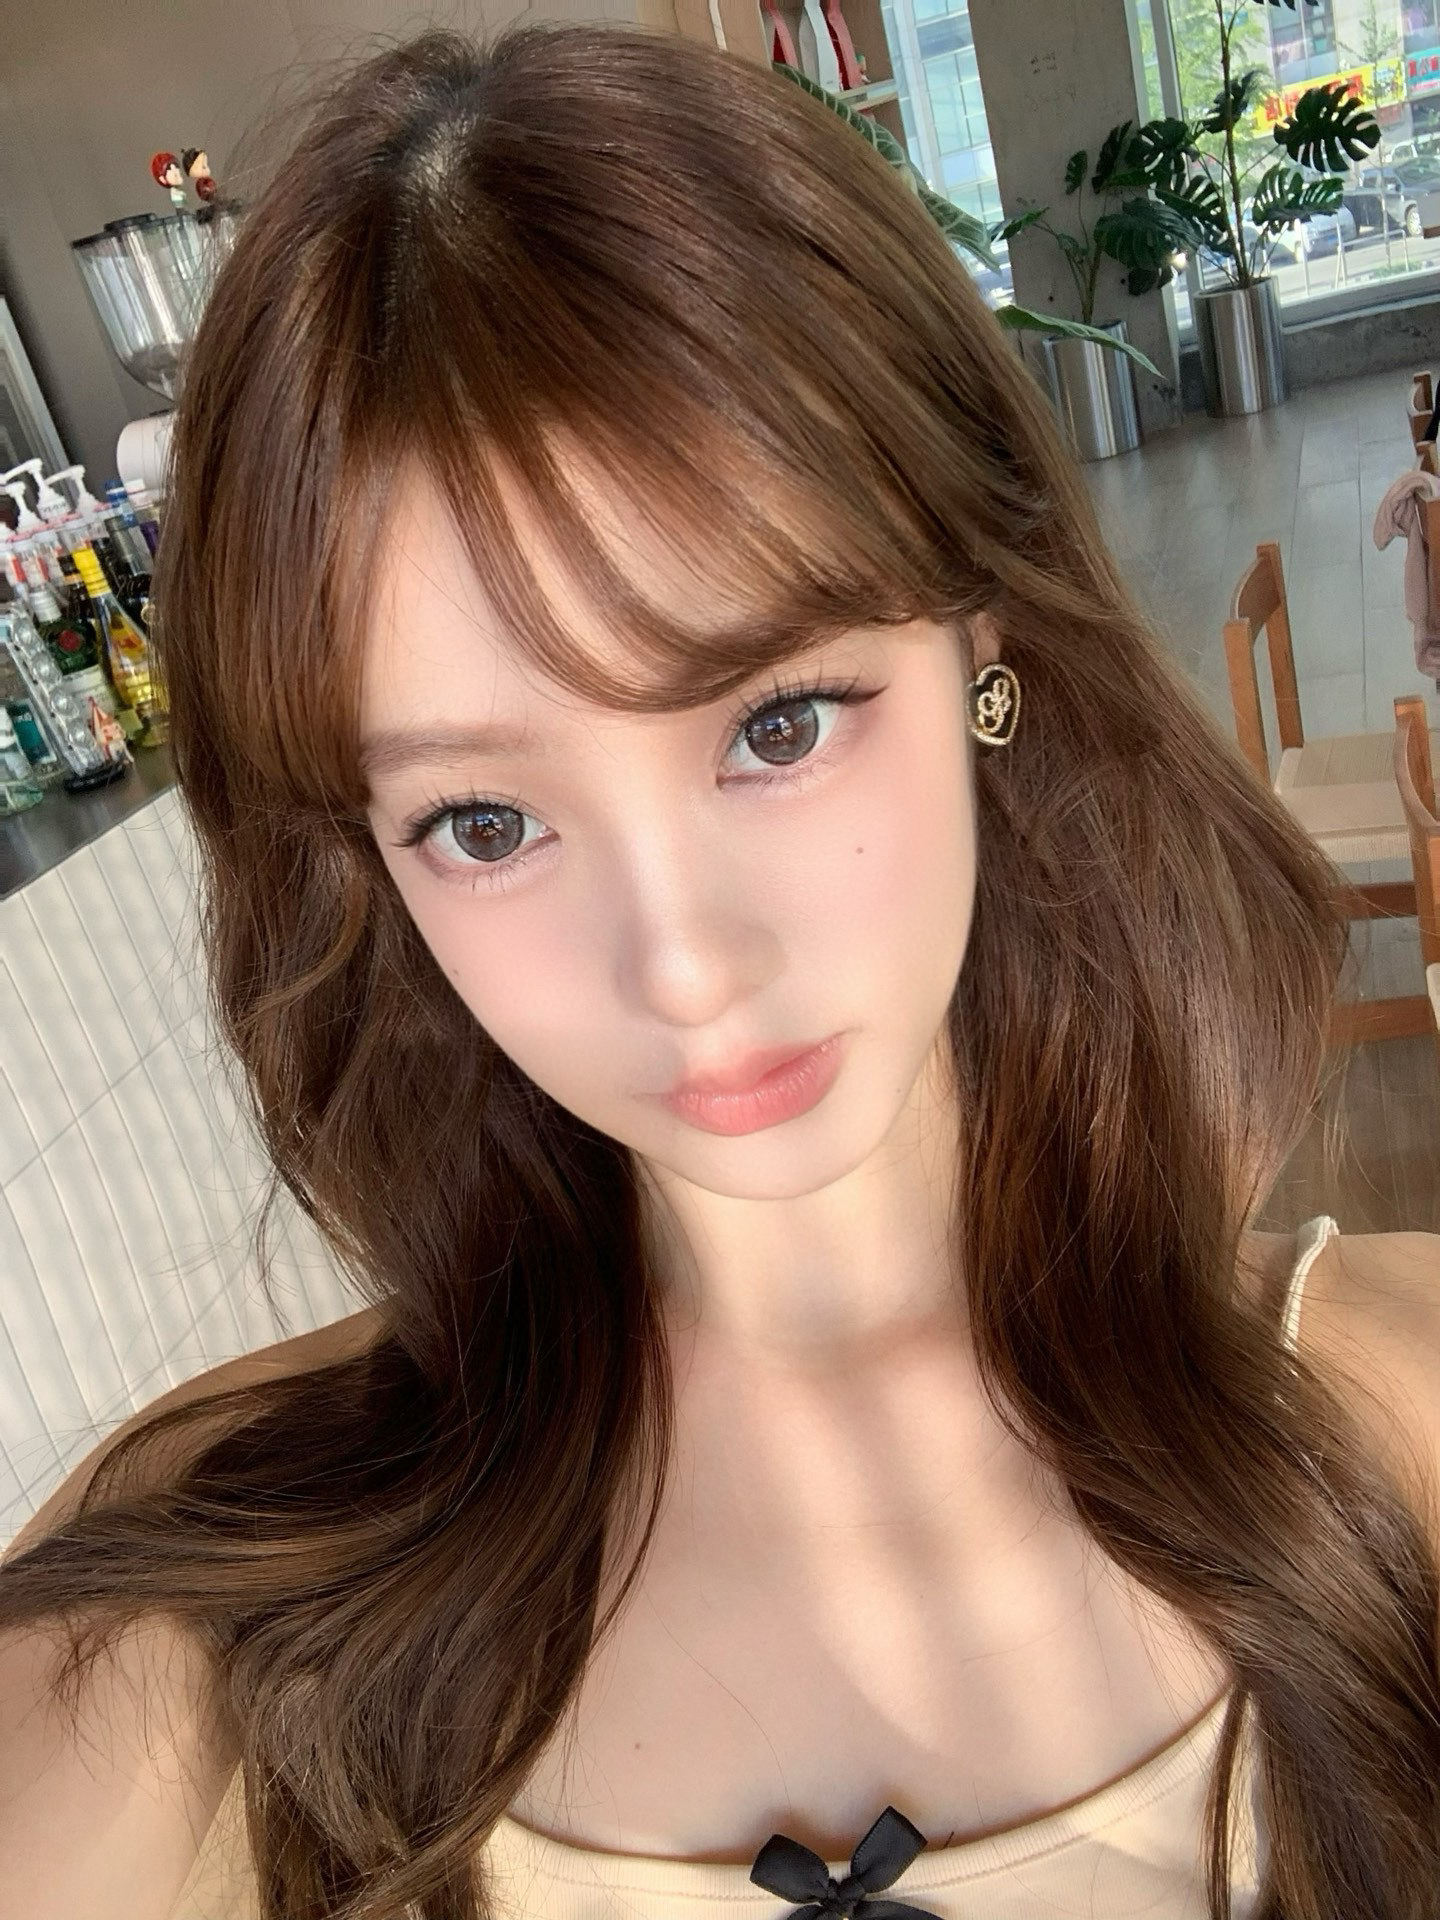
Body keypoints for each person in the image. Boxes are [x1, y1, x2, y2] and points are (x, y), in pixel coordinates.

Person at [3, 21, 1440, 1920]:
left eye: (777, 724)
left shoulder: (1396, 1423)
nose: (684, 965)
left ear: (977, 640)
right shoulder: (222, 1577)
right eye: (485, 823)